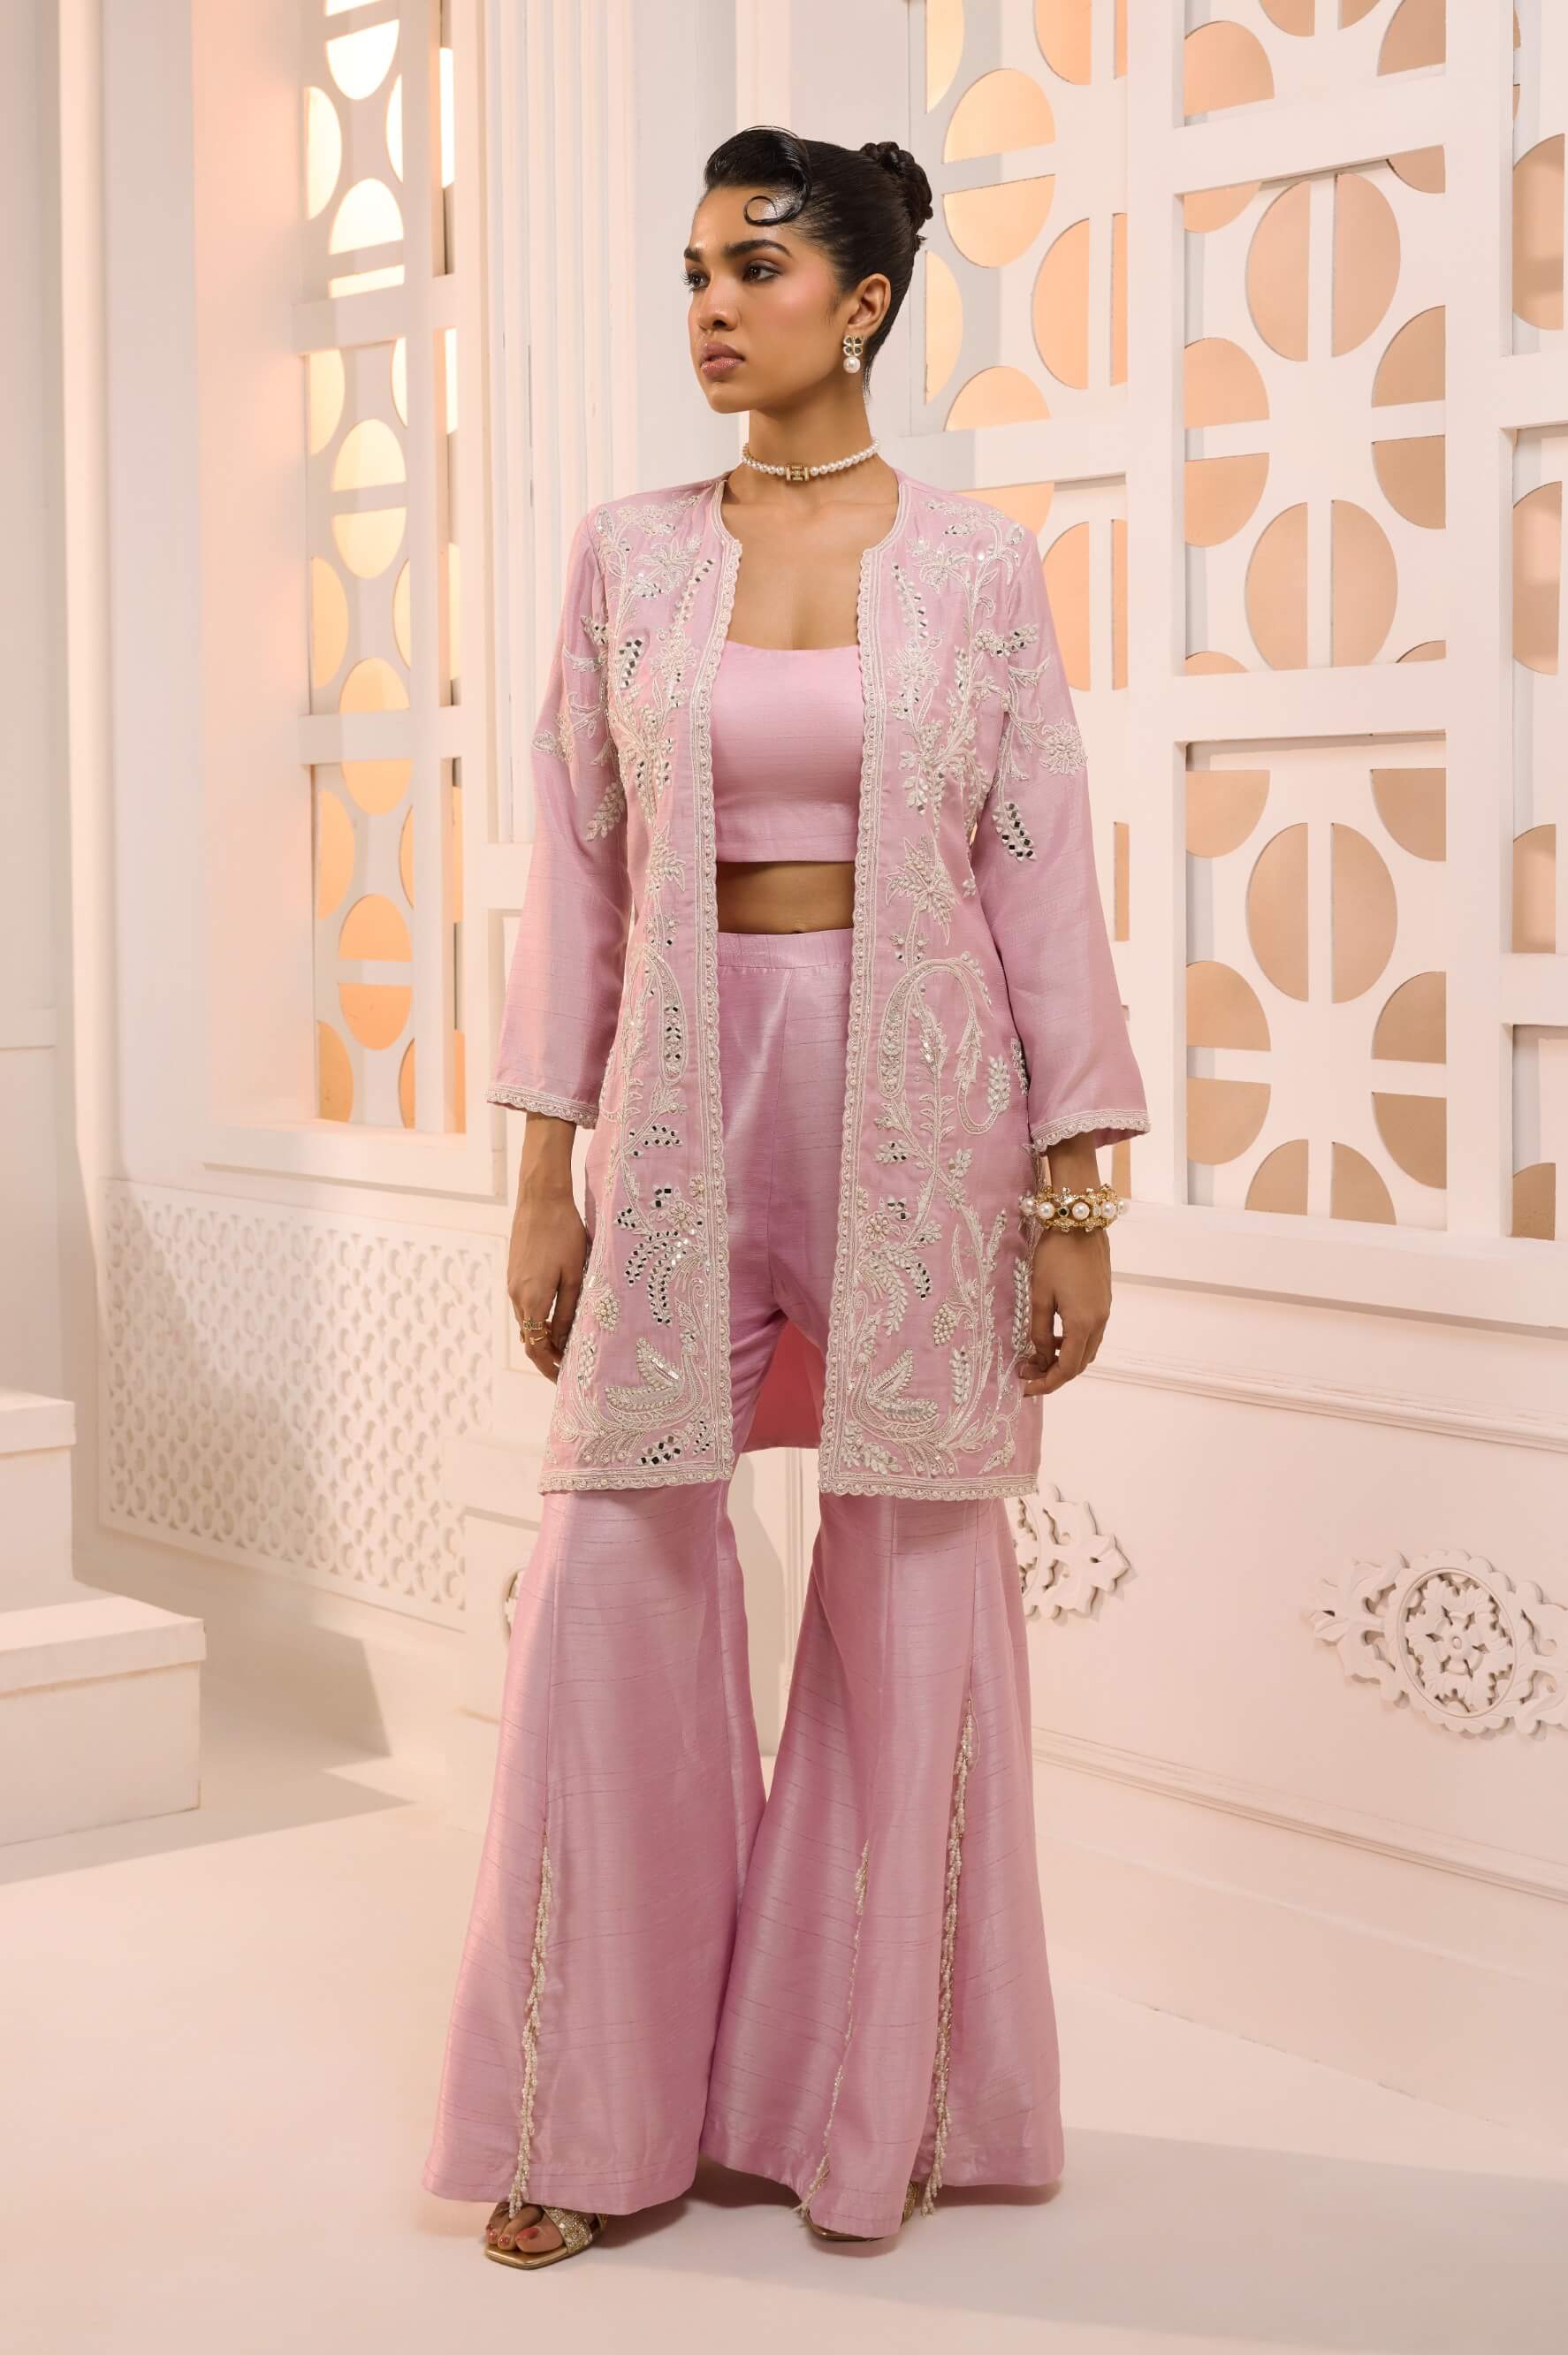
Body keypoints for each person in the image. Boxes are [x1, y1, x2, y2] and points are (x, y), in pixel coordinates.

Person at [421, 124, 1150, 2270]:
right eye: (692, 273)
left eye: (754, 269)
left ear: (865, 301)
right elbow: (574, 867)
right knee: (612, 1562)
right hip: (676, 1104)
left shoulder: (977, 568)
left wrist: (1073, 1194)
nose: (711, 309)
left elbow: (1039, 869)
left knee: (909, 1581)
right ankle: (585, 2113)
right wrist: (540, 1169)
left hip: (921, 1110)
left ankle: (869, 2104)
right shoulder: (626, 558)